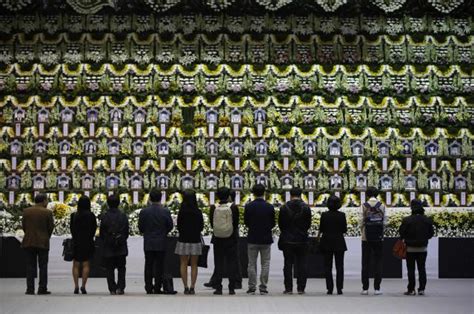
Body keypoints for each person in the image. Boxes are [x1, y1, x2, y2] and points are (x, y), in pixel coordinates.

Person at [138, 188, 173, 294]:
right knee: (159, 265)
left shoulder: (144, 212)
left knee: (148, 264)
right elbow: (170, 226)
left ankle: (148, 287)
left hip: (148, 241)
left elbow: (140, 227)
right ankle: (158, 287)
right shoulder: (165, 211)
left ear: (150, 198)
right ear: (161, 198)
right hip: (161, 241)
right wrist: (163, 232)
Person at [278, 187, 312, 294]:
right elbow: (308, 224)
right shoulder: (306, 208)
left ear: (290, 195)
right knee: (302, 264)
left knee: (288, 264)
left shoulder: (284, 207)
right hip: (302, 239)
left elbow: (281, 224)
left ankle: (288, 288)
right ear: (301, 194)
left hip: (287, 239)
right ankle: (301, 288)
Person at [244, 184, 275, 295]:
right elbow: (272, 223)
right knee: (265, 263)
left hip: (252, 237)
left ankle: (252, 287)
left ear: (253, 193)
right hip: (266, 238)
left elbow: (246, 222)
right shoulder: (269, 206)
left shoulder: (249, 206)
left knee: (251, 263)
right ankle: (263, 287)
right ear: (264, 193)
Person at [399, 199, 434, 296]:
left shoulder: (406, 220)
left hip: (410, 248)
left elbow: (401, 233)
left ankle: (411, 289)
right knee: (422, 268)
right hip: (423, 248)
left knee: (411, 269)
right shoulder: (427, 220)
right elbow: (431, 234)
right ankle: (421, 289)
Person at [21, 193, 54, 295]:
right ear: (44, 201)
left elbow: (24, 226)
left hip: (29, 241)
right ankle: (42, 288)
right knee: (43, 266)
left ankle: (30, 289)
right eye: (47, 200)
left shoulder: (26, 211)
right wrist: (46, 236)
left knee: (30, 266)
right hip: (42, 242)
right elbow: (50, 227)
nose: (47, 202)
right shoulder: (47, 212)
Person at [210, 187, 239, 295]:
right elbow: (235, 224)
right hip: (231, 239)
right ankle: (231, 287)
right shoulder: (233, 207)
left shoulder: (214, 207)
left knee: (218, 263)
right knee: (231, 263)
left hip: (217, 238)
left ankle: (218, 287)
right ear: (228, 196)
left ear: (217, 196)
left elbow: (212, 223)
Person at [175, 190, 204, 295]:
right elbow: (201, 227)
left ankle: (185, 287)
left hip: (183, 240)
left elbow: (178, 226)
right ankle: (192, 287)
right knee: (194, 264)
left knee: (183, 263)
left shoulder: (181, 212)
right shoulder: (198, 212)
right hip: (195, 240)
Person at [100, 194, 129, 295]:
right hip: (121, 245)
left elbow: (102, 233)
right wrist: (120, 239)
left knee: (110, 268)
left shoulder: (104, 216)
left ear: (107, 204)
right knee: (121, 268)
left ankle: (112, 288)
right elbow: (126, 232)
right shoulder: (123, 216)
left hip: (108, 246)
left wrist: (108, 240)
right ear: (118, 203)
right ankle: (120, 288)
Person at [360, 186, 387, 295]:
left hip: (366, 237)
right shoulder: (382, 206)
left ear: (367, 194)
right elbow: (385, 221)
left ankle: (365, 288)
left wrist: (363, 230)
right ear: (377, 194)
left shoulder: (364, 206)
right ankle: (377, 288)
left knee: (365, 262)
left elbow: (360, 220)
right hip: (378, 237)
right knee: (378, 262)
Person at [318, 195, 347, 295]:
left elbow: (321, 229)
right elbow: (344, 230)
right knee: (340, 266)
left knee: (327, 266)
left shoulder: (324, 215)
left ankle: (329, 288)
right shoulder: (342, 215)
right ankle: (339, 288)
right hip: (339, 241)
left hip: (327, 241)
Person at [70, 195, 97, 294]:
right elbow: (94, 228)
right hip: (88, 241)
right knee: (86, 264)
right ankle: (83, 286)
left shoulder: (74, 215)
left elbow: (71, 229)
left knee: (76, 264)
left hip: (77, 241)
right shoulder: (91, 215)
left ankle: (76, 286)